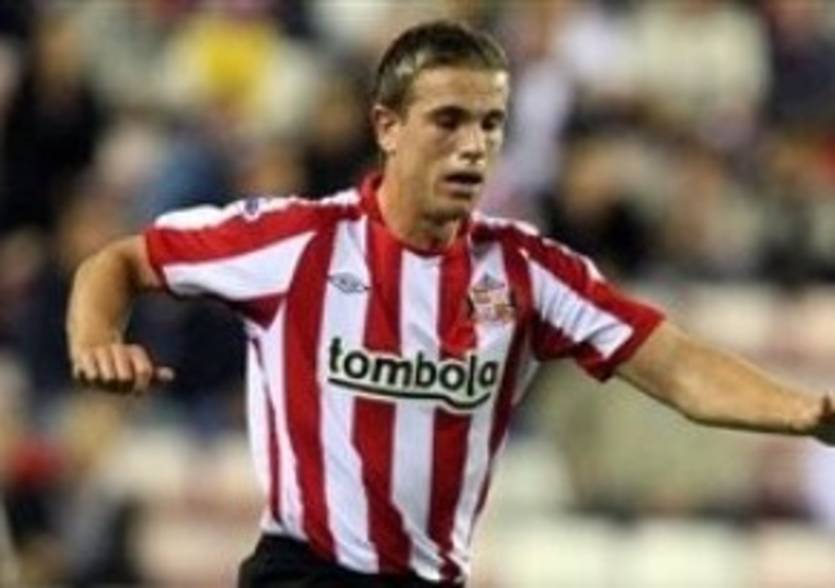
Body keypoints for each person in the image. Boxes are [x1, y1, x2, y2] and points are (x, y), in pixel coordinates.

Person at [66, 20, 835, 588]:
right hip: (303, 571)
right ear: (387, 127)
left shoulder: (529, 272)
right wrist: (96, 336)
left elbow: (676, 367)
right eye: (448, 121)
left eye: (491, 123)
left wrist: (805, 412)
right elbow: (122, 260)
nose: (474, 145)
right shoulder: (297, 243)